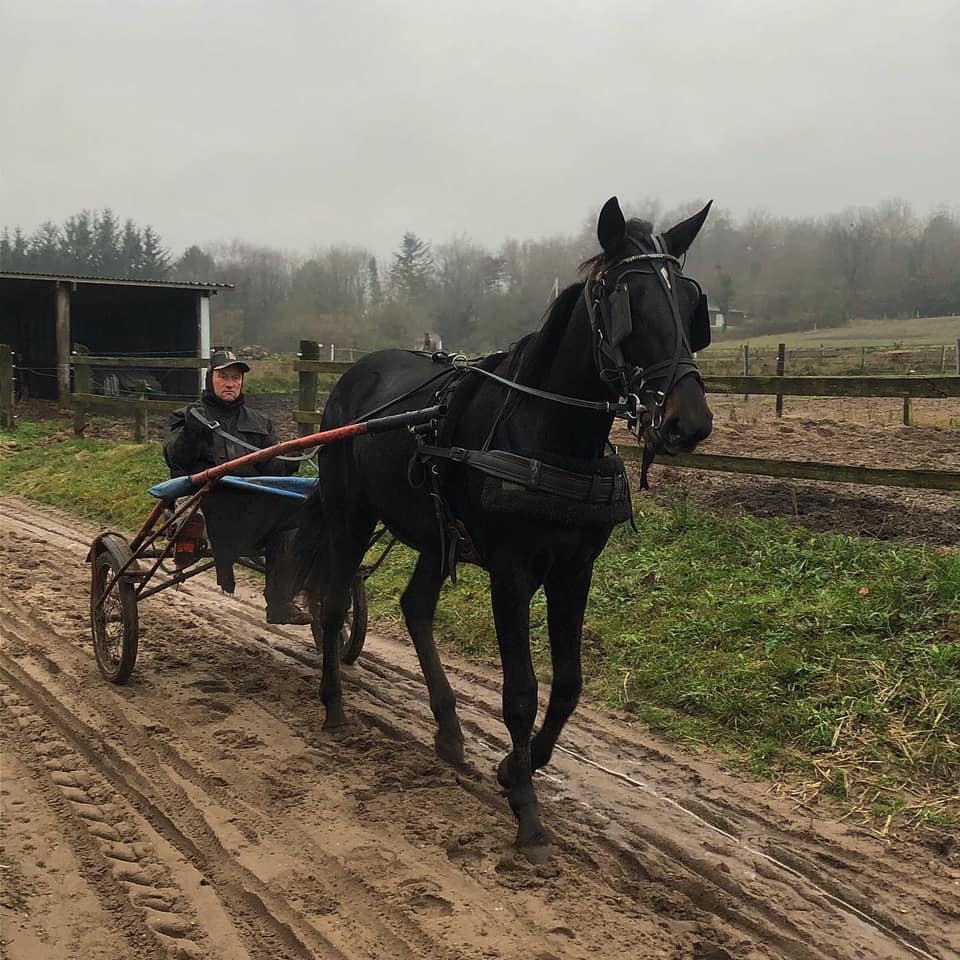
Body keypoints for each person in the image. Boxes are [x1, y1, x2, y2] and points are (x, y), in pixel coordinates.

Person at [163, 349, 311, 625]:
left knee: (299, 515)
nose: (230, 383)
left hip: (254, 510)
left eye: (235, 377)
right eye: (223, 377)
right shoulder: (185, 417)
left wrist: (289, 461)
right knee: (191, 511)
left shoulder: (259, 422)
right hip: (207, 501)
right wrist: (192, 433)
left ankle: (280, 602)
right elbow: (176, 460)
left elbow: (273, 472)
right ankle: (188, 531)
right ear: (211, 379)